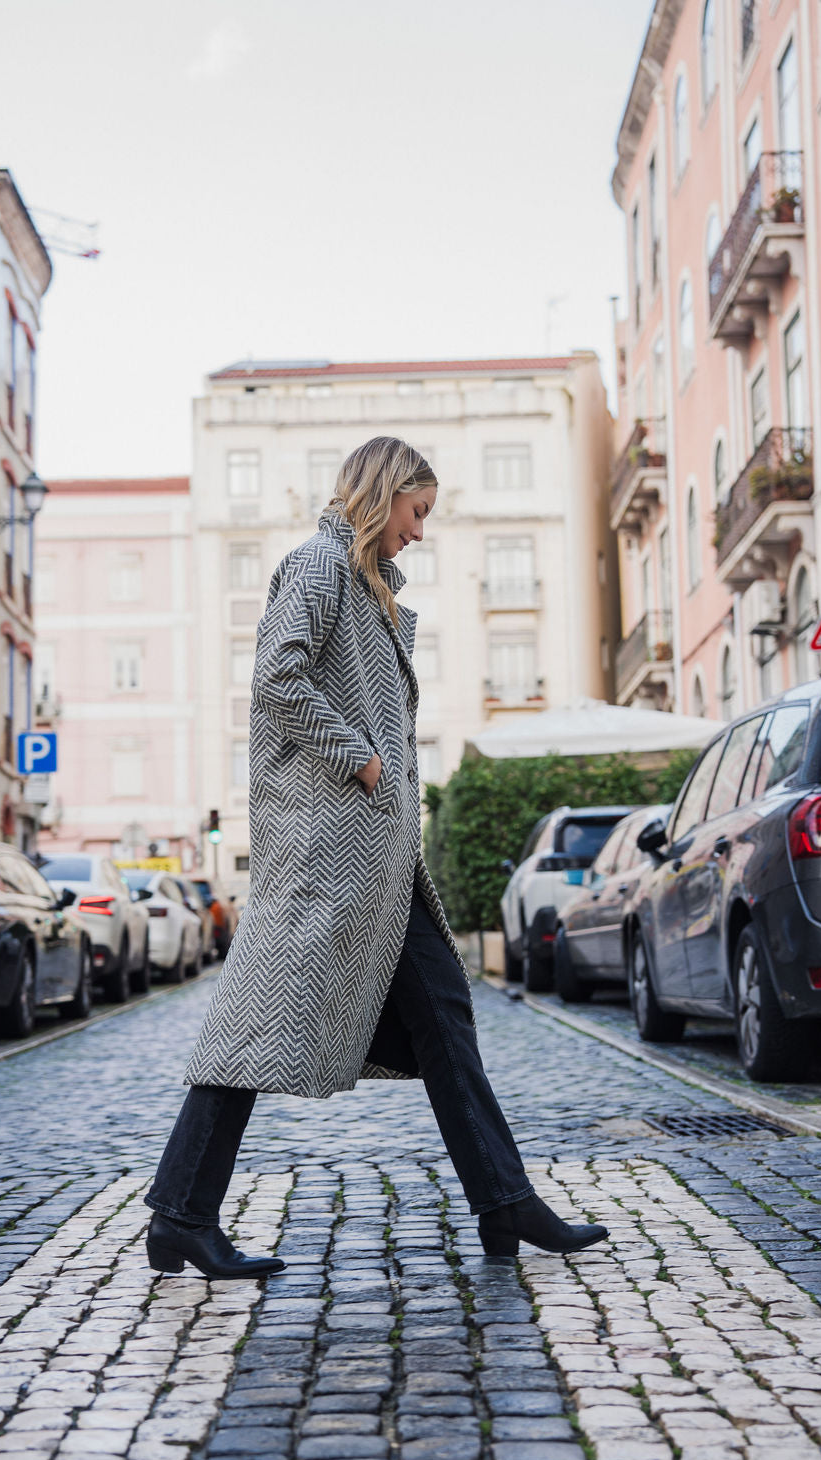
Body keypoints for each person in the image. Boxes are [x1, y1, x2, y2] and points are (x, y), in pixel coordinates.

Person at [144, 437, 608, 1279]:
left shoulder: (365, 587)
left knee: (445, 1019)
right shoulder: (319, 567)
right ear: (383, 493)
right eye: (418, 512)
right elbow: (276, 681)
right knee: (255, 1027)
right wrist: (359, 757)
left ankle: (504, 1202)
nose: (421, 534)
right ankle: (180, 1212)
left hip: (378, 863)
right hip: (328, 855)